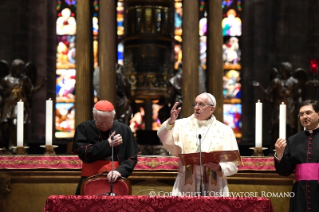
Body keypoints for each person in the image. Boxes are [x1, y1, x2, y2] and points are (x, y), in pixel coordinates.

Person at [157, 92, 239, 195]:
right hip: (185, 183)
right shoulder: (181, 125)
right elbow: (163, 136)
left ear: (212, 109)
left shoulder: (225, 130)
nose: (196, 107)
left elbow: (233, 162)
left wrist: (220, 167)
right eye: (195, 104)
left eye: (201, 104)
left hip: (215, 183)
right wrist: (170, 121)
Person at [72, 100, 139, 195]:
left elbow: (132, 158)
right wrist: (107, 144)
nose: (104, 125)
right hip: (88, 180)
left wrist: (119, 171)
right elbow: (83, 153)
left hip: (116, 180)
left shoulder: (124, 129)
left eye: (108, 122)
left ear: (113, 117)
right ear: (94, 116)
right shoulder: (83, 128)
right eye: (100, 122)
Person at [275, 99, 319, 212]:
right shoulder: (293, 140)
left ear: (318, 114)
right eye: (301, 114)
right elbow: (285, 171)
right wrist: (279, 154)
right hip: (300, 194)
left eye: (308, 112)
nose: (304, 116)